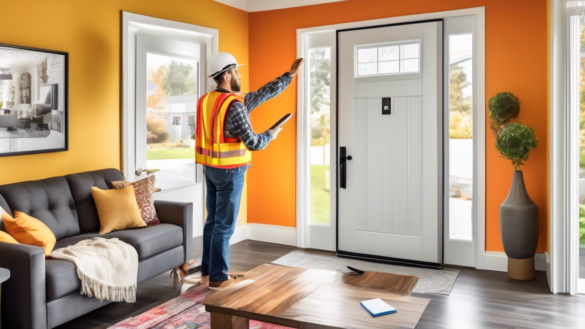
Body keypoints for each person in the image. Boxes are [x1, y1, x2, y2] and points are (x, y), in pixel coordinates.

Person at [195, 52, 303, 289]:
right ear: (227, 75)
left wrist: (289, 76)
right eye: (237, 71)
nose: (240, 75)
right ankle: (218, 279)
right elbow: (254, 142)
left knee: (212, 222)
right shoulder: (235, 107)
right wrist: (271, 135)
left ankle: (206, 271)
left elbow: (262, 93)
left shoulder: (206, 100)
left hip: (210, 169)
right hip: (231, 172)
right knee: (224, 226)